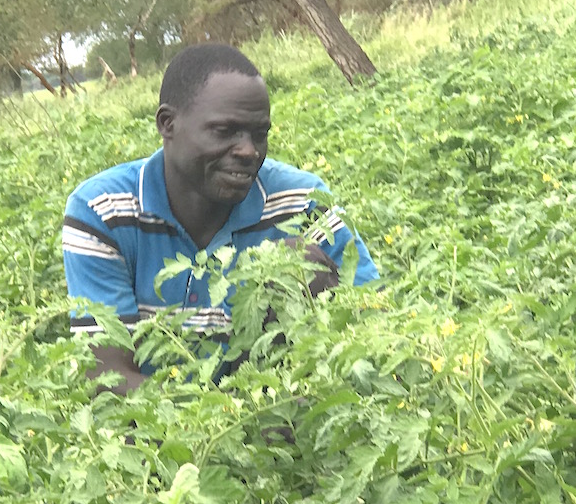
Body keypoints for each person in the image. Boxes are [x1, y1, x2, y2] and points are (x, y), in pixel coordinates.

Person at [63, 43, 378, 393]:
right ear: (167, 124)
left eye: (260, 135)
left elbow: (373, 321)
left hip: (285, 407)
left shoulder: (302, 201)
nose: (248, 151)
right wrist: (231, 417)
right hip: (164, 435)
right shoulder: (102, 210)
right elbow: (105, 375)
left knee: (296, 264)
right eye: (225, 132)